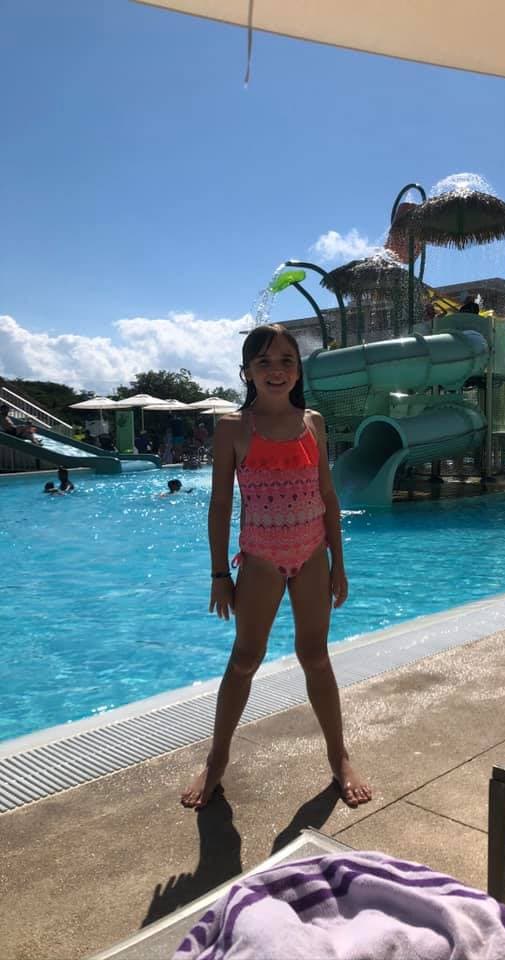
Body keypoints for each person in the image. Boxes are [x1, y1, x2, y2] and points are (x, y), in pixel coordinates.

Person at [181, 323, 371, 811]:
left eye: (286, 360)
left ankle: (339, 756)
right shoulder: (233, 428)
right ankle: (216, 761)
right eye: (263, 362)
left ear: (298, 369)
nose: (276, 370)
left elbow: (327, 495)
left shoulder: (314, 422)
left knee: (316, 656)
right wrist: (220, 574)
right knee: (245, 658)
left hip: (311, 555)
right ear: (246, 371)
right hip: (261, 559)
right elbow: (220, 504)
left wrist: (338, 564)